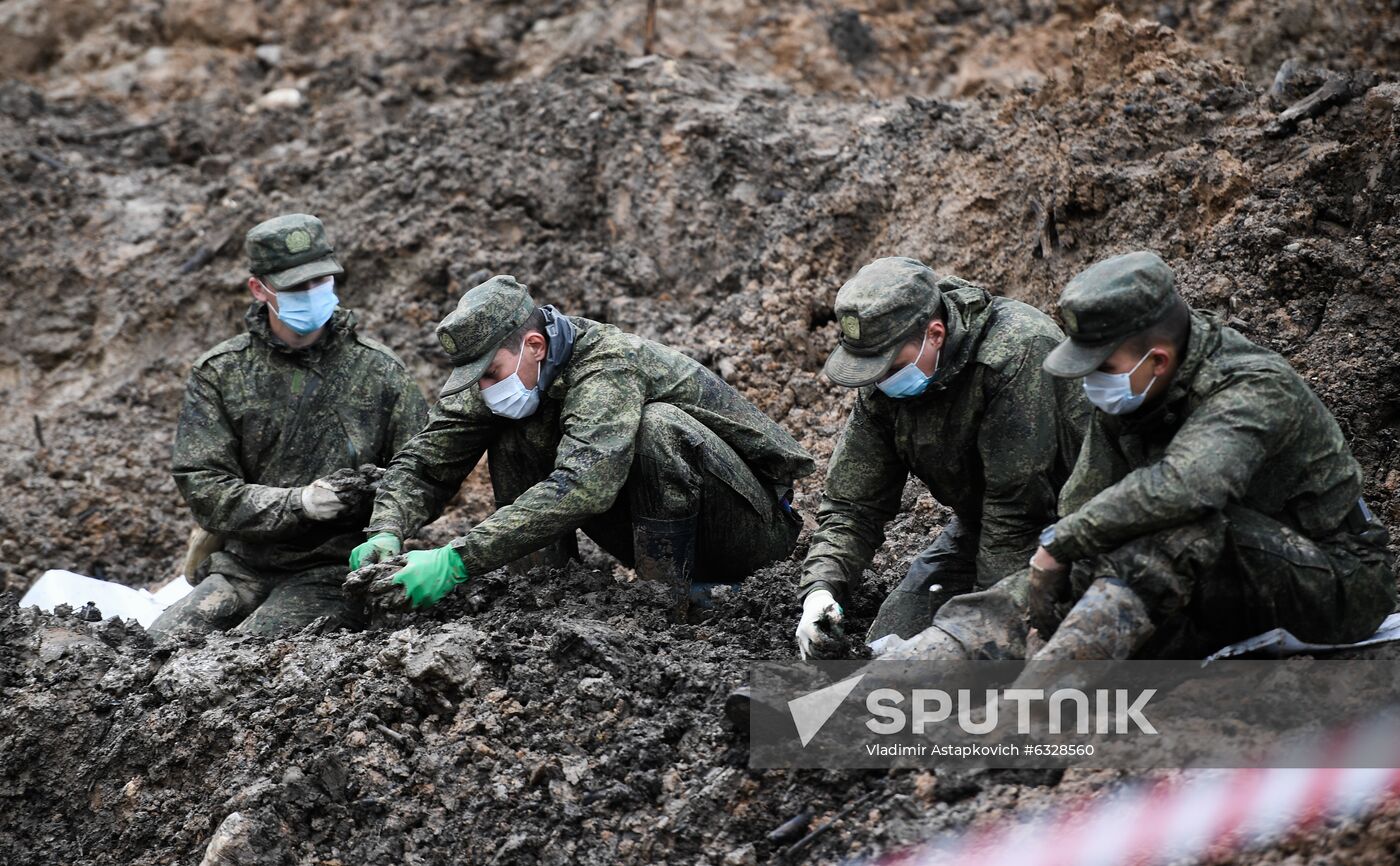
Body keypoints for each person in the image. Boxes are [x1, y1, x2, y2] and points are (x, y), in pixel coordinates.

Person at [896, 250, 1395, 662]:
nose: (1092, 382)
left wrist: (1062, 544)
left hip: (1335, 579)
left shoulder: (1252, 387)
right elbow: (1084, 503)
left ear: (1156, 359)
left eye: (1103, 367)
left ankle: (1037, 717)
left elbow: (1185, 489)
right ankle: (877, 692)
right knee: (1043, 579)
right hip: (1207, 583)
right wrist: (1043, 587)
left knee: (1169, 530)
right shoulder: (1134, 391)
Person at [350, 275, 816, 621]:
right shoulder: (508, 377)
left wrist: (458, 560)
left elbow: (584, 486)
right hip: (649, 525)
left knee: (658, 429)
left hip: (752, 536)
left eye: (491, 372)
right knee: (513, 432)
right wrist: (386, 528)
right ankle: (544, 603)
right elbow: (425, 461)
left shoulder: (605, 366)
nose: (486, 388)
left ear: (534, 344)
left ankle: (666, 609)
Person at [148, 213, 428, 638]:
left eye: (321, 281)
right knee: (156, 645)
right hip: (240, 567)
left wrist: (381, 520)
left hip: (333, 569)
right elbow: (202, 484)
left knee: (247, 657)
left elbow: (423, 473)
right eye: (297, 287)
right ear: (260, 289)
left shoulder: (380, 371)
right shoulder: (222, 372)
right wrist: (298, 503)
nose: (313, 294)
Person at [794, 256, 1089, 658]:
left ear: (935, 334)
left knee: (959, 653)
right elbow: (852, 506)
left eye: (887, 367)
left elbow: (1016, 512)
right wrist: (821, 589)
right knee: (888, 639)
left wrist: (979, 630)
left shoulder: (1016, 351)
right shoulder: (883, 384)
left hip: (1070, 526)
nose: (877, 382)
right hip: (982, 525)